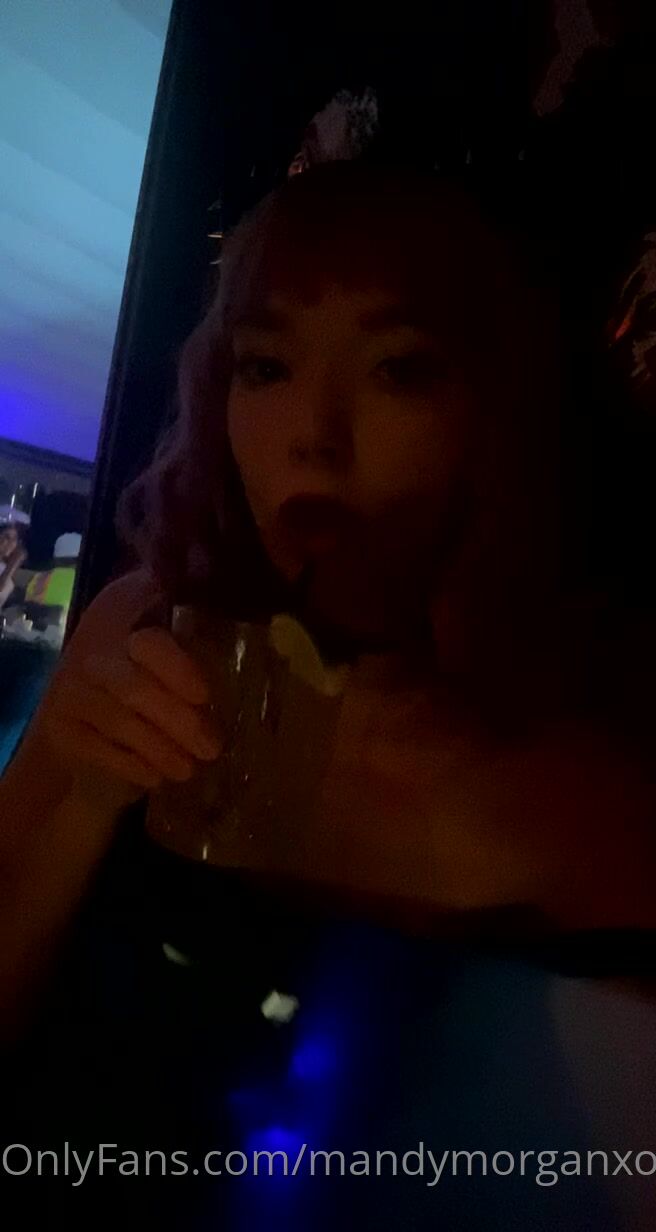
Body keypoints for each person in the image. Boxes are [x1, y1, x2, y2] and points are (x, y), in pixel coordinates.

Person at [0, 163, 655, 1227]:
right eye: (265, 366)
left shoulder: (609, 747)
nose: (314, 433)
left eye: (398, 369)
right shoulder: (147, 626)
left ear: (502, 414)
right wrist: (81, 806)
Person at [0, 523, 27, 609]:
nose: (11, 543)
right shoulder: (10, 566)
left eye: (15, 539)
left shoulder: (5, 567)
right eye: (7, 537)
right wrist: (15, 562)